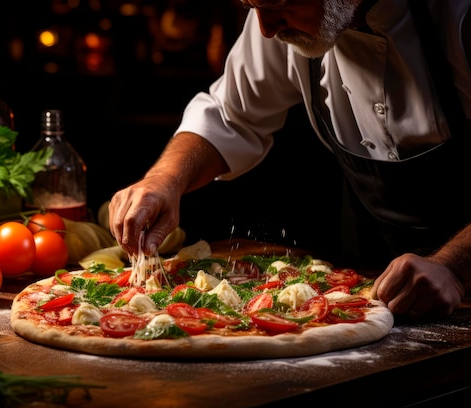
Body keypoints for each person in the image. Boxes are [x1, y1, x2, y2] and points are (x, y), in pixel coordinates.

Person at [108, 0, 471, 320]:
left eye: (279, 3)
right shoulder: (278, 15)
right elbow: (232, 115)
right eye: (250, 7)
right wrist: (165, 180)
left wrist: (454, 266)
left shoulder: (459, 15)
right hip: (368, 289)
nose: (265, 29)